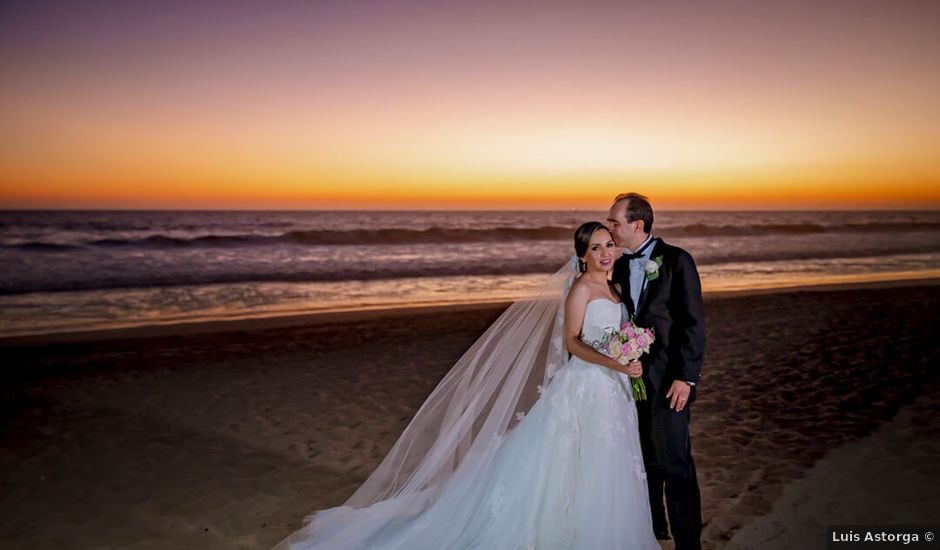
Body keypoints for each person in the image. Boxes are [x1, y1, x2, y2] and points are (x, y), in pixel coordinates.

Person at [272, 222, 660, 549]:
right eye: (596, 248)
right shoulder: (580, 289)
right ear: (583, 255)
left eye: (609, 244)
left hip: (614, 388)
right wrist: (615, 361)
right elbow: (573, 341)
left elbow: (617, 332)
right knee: (572, 459)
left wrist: (629, 358)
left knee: (606, 461)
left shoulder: (617, 289)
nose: (606, 252)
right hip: (586, 386)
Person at [607, 193, 705, 550]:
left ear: (637, 224)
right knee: (642, 460)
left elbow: (693, 324)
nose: (610, 229)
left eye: (615, 222)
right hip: (629, 379)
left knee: (674, 461)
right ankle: (653, 532)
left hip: (669, 379)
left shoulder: (678, 261)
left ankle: (688, 543)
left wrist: (686, 377)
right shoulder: (616, 266)